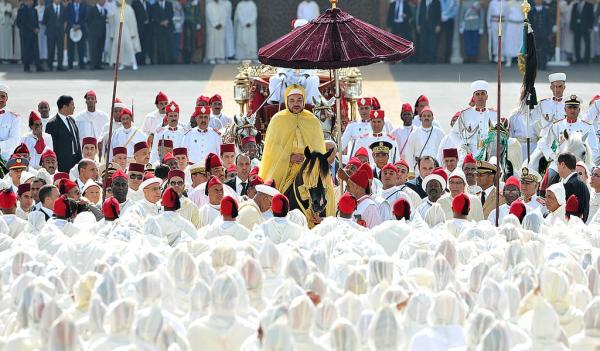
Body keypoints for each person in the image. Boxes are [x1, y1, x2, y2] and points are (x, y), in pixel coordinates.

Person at [259, 85, 333, 206]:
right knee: (274, 196)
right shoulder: (277, 120)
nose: (296, 103)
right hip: (285, 168)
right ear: (287, 102)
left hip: (309, 169)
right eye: (292, 100)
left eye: (299, 100)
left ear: (304, 101)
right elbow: (271, 148)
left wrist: (310, 159)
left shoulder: (312, 120)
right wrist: (289, 157)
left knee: (324, 194)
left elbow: (318, 147)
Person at [539, 95, 599, 165]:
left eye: (575, 107)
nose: (572, 110)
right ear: (565, 109)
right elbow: (544, 143)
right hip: (560, 163)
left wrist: (586, 163)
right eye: (570, 107)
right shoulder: (556, 126)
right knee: (551, 175)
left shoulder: (587, 127)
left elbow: (594, 149)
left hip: (581, 164)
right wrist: (554, 157)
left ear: (579, 110)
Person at [451, 80, 497, 158]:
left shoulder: (495, 114)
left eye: (483, 93)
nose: (480, 96)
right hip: (470, 155)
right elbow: (453, 133)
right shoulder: (465, 114)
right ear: (473, 97)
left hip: (489, 155)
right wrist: (462, 146)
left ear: (487, 96)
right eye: (477, 94)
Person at [45, 95, 83, 172]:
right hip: (62, 165)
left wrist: (80, 160)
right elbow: (51, 147)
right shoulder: (52, 124)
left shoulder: (72, 120)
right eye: (72, 104)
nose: (74, 107)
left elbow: (76, 141)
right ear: (65, 107)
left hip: (76, 163)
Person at [405, 107, 445, 172]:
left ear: (432, 118)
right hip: (419, 168)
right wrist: (411, 172)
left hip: (436, 167)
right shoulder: (414, 133)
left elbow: (444, 152)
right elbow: (409, 154)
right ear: (420, 118)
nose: (426, 118)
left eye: (429, 116)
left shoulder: (440, 133)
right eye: (424, 116)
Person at [558, 152, 590, 222]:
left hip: (569, 228)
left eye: (558, 165)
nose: (558, 169)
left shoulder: (569, 185)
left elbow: (565, 213)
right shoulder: (584, 185)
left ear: (563, 165)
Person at [109, 0, 140, 70]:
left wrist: (132, 32)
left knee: (129, 47)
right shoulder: (115, 10)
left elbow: (133, 22)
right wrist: (112, 34)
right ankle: (122, 63)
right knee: (119, 48)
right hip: (117, 31)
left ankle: (134, 63)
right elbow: (112, 23)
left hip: (127, 31)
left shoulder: (129, 9)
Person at [16, 0, 43, 72]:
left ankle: (38, 67)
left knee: (36, 50)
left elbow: (36, 22)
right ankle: (26, 67)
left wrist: (37, 28)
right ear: (26, 1)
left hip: (34, 33)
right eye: (29, 0)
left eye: (32, 1)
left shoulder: (35, 10)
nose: (31, 2)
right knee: (26, 51)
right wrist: (31, 29)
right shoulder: (21, 10)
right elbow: (21, 22)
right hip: (26, 34)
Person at [43, 0, 66, 71]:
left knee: (60, 49)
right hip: (51, 32)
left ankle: (60, 65)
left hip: (60, 32)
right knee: (51, 49)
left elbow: (65, 19)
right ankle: (50, 65)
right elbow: (45, 20)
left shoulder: (63, 8)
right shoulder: (48, 8)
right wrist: (51, 26)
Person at [0, 84, 21, 161]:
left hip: (6, 157)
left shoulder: (14, 117)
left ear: (7, 98)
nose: (0, 99)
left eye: (3, 96)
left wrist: (0, 146)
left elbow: (15, 139)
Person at [529, 0, 551, 70]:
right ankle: (535, 66)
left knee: (544, 49)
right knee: (534, 50)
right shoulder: (531, 10)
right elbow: (529, 23)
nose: (538, 1)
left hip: (544, 33)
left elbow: (549, 22)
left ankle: (543, 65)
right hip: (534, 33)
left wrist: (549, 33)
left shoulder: (546, 10)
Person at [65, 0, 87, 69]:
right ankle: (70, 64)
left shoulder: (84, 6)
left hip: (80, 29)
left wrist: (79, 25)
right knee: (70, 48)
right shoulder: (69, 5)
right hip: (71, 28)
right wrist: (72, 25)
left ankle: (81, 64)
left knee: (81, 48)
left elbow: (85, 17)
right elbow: (67, 16)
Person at [86, 0, 107, 70]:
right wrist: (92, 29)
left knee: (100, 49)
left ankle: (98, 64)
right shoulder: (92, 9)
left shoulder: (105, 10)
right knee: (93, 49)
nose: (103, 2)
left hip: (102, 33)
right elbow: (88, 20)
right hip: (93, 33)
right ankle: (93, 64)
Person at [131, 0, 153, 65]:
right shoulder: (135, 3)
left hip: (147, 27)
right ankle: (138, 60)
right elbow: (134, 15)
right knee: (138, 43)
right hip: (139, 27)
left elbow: (150, 14)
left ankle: (143, 59)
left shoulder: (148, 4)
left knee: (145, 43)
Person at [503, 0, 524, 67]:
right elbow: (505, 15)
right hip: (511, 24)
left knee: (520, 42)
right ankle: (509, 60)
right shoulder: (509, 3)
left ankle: (521, 61)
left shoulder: (524, 3)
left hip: (521, 25)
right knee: (510, 42)